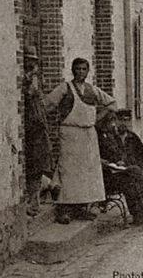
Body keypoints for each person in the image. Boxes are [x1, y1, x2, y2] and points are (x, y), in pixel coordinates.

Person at [41, 57, 117, 224]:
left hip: (88, 134)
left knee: (87, 172)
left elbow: (111, 104)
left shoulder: (92, 90)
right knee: (68, 171)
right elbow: (46, 105)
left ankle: (81, 208)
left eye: (84, 69)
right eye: (78, 69)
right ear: (73, 70)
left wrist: (97, 118)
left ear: (88, 71)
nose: (81, 72)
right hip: (69, 133)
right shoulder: (65, 88)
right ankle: (64, 209)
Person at [22, 47, 55, 216]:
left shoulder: (34, 79)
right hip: (28, 129)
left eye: (34, 61)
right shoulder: (25, 80)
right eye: (29, 60)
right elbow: (28, 95)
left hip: (38, 128)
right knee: (32, 165)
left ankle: (35, 201)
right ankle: (31, 201)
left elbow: (41, 103)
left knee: (39, 164)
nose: (33, 64)